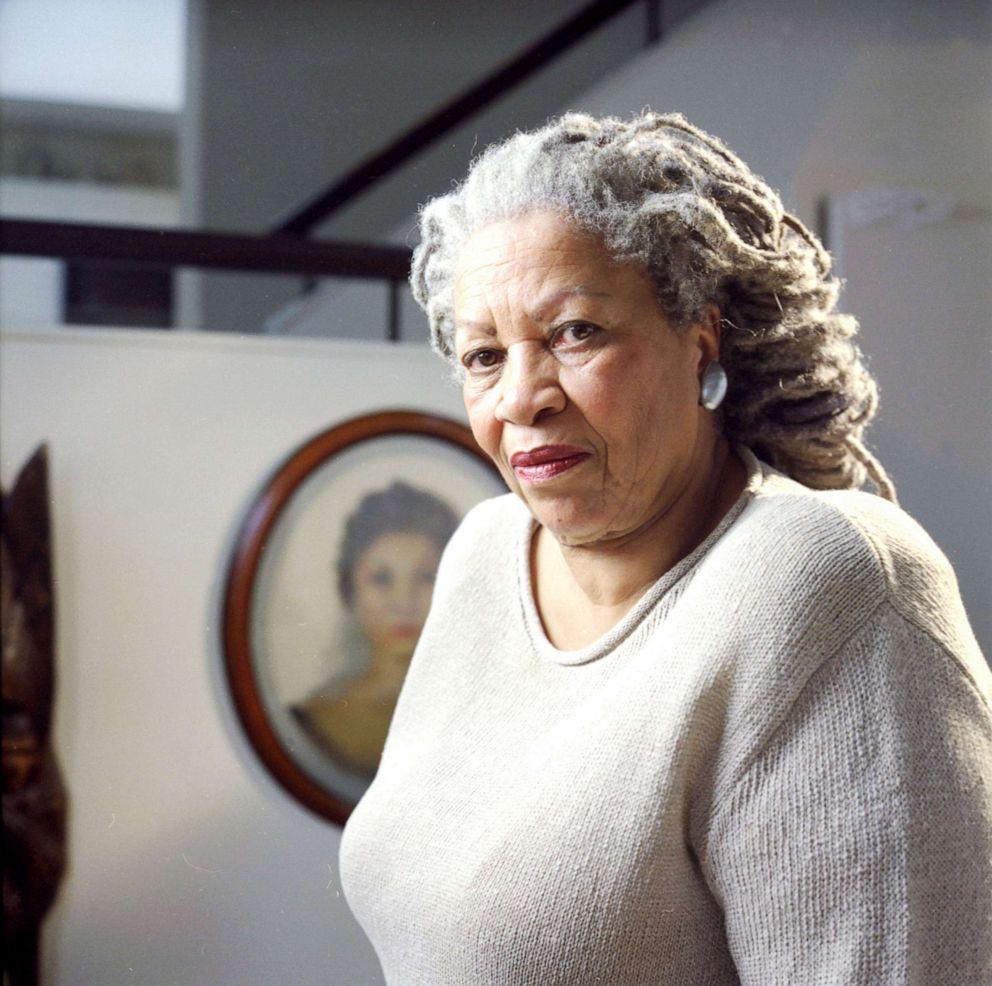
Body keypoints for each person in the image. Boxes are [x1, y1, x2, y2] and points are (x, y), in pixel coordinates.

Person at [339, 112, 992, 984]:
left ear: (701, 342)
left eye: (576, 333)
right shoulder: (484, 553)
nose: (523, 397)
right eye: (485, 356)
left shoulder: (826, 585)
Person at [292, 481, 458, 778]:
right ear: (350, 590)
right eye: (381, 579)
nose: (404, 603)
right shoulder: (309, 726)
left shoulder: (481, 714)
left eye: (425, 577)